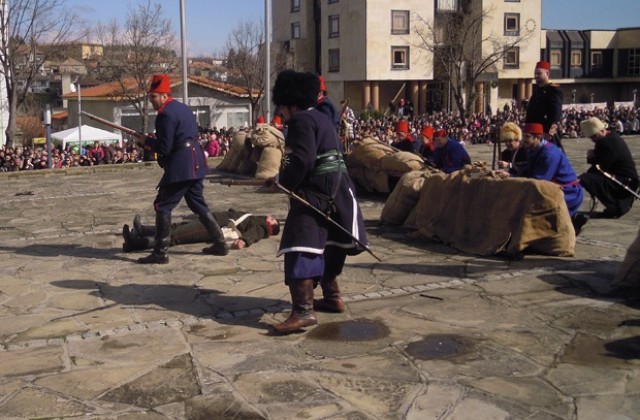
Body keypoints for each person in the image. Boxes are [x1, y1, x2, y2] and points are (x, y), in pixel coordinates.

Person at [270, 69, 368, 334]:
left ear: (291, 102)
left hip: (317, 189)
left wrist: (283, 181)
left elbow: (300, 159)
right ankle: (333, 297)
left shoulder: (301, 121)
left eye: (281, 106)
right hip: (338, 186)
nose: (280, 111)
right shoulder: (322, 117)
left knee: (299, 242)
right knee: (330, 242)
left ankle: (303, 311)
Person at [137, 74, 228, 264]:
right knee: (197, 204)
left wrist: (146, 142)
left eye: (153, 97)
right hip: (195, 162)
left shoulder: (165, 115)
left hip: (182, 165)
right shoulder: (183, 109)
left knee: (163, 205)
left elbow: (164, 147)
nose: (151, 101)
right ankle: (220, 242)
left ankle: (160, 252)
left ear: (163, 95)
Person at [496, 123, 584, 231]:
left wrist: (512, 178)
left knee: (524, 206)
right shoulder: (534, 149)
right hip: (552, 188)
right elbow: (527, 168)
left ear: (538, 137)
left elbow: (538, 181)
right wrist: (510, 174)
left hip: (567, 192)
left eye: (527, 136)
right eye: (523, 136)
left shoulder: (549, 154)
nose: (523, 140)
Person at [122, 210, 280, 252]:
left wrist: (244, 241)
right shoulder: (257, 218)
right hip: (214, 220)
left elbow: (256, 233)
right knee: (177, 227)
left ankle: (139, 243)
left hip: (215, 227)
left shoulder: (263, 226)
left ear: (272, 227)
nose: (270, 217)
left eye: (273, 220)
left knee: (178, 236)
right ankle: (143, 230)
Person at [578, 117, 638, 218]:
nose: (593, 140)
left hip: (623, 180)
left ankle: (614, 206)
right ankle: (613, 207)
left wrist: (591, 157)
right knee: (587, 178)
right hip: (623, 178)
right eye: (591, 137)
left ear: (602, 131)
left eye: (594, 136)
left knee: (587, 179)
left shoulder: (607, 142)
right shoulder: (610, 138)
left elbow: (602, 165)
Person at [525, 61, 564, 153]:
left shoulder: (554, 90)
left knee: (551, 155)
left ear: (547, 73)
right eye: (535, 73)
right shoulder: (538, 90)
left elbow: (556, 112)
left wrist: (548, 131)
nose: (536, 76)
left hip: (545, 131)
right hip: (534, 131)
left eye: (539, 73)